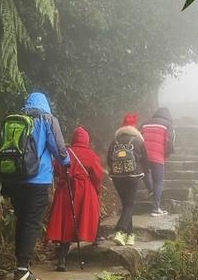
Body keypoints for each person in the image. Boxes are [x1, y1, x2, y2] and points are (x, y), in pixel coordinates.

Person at [1, 91, 70, 280]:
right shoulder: (48, 119)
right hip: (38, 180)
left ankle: (20, 266)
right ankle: (23, 271)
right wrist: (67, 162)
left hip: (15, 180)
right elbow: (59, 149)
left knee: (22, 220)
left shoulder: (16, 120)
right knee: (32, 223)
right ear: (45, 104)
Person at [46, 127, 104, 271]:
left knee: (66, 222)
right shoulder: (91, 155)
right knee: (88, 215)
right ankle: (96, 237)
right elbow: (98, 175)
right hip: (84, 191)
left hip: (65, 190)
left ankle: (62, 259)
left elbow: (56, 169)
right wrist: (96, 190)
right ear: (87, 140)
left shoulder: (65, 152)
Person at [107, 113, 148, 246]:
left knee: (126, 204)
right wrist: (148, 183)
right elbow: (145, 162)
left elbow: (109, 159)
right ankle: (120, 230)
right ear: (135, 127)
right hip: (133, 176)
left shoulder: (115, 141)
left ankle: (130, 236)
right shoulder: (138, 140)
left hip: (117, 176)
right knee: (130, 205)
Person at [141, 107, 175, 216]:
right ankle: (155, 209)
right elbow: (170, 141)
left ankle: (150, 188)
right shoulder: (168, 124)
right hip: (158, 157)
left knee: (145, 172)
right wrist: (167, 154)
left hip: (143, 156)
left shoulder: (145, 123)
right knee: (158, 182)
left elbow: (138, 137)